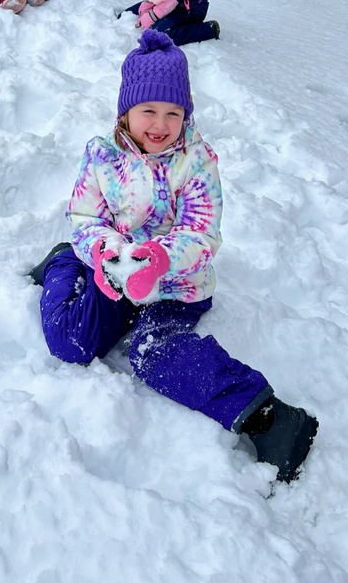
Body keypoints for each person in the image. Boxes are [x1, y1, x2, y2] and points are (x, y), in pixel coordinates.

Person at [30, 30, 319, 486]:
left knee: (155, 355)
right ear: (125, 111)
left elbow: (202, 233)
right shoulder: (102, 155)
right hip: (113, 274)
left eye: (173, 112)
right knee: (71, 345)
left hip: (176, 287)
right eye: (148, 111)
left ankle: (267, 417)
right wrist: (102, 252)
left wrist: (159, 258)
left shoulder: (197, 162)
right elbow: (85, 214)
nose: (160, 124)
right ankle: (63, 265)